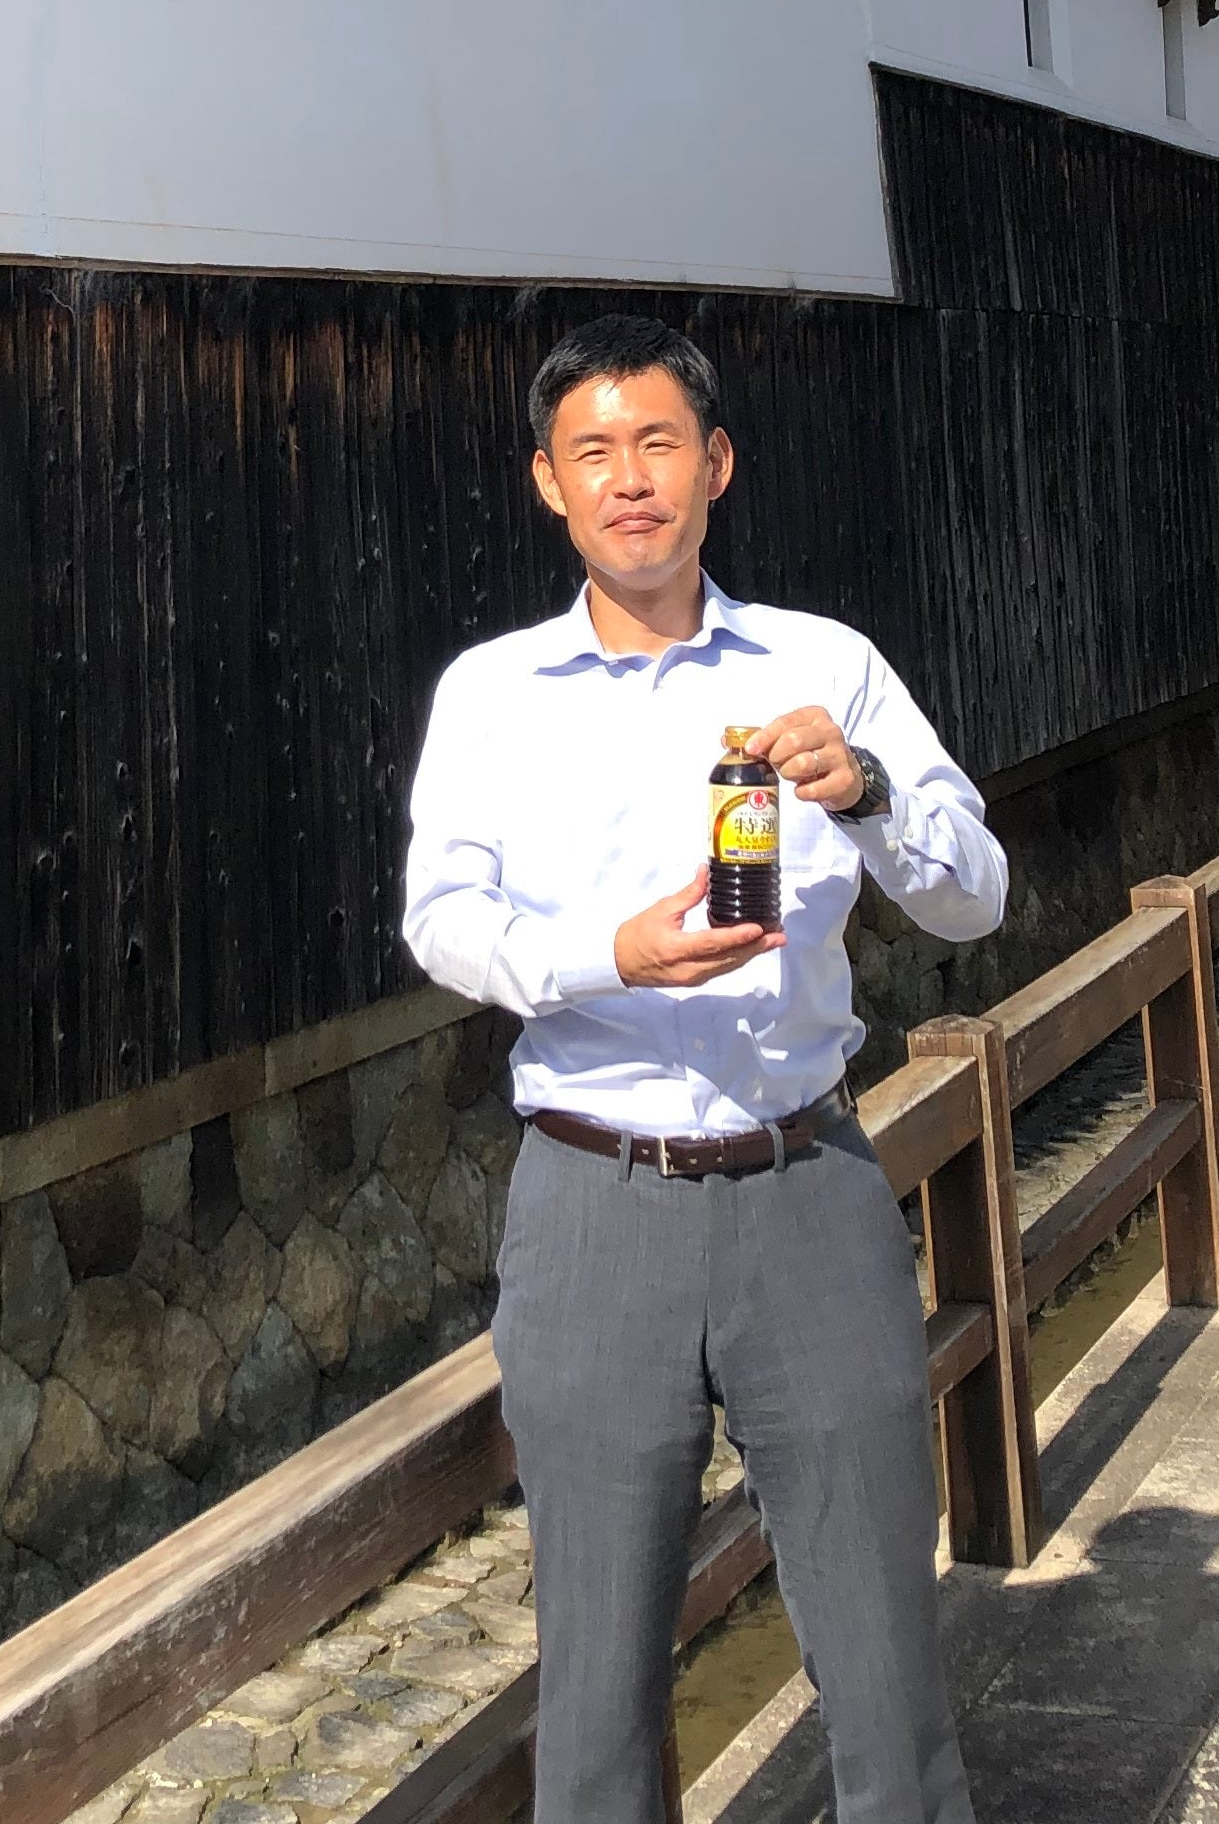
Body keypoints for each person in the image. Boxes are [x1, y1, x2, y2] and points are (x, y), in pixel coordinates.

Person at [403, 314, 1006, 1824]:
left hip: (807, 1178)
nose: (630, 481)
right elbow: (442, 918)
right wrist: (611, 953)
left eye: (659, 443)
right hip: (592, 1198)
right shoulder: (492, 691)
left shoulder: (824, 665)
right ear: (549, 484)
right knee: (598, 1679)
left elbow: (975, 894)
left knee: (882, 1651)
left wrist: (861, 791)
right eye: (593, 452)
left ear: (715, 462)